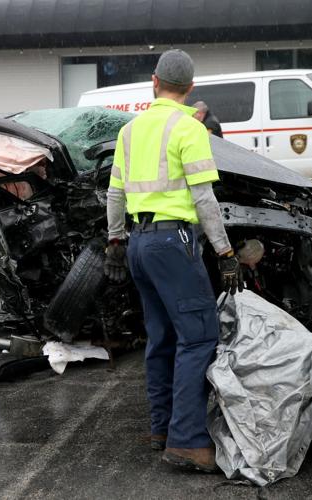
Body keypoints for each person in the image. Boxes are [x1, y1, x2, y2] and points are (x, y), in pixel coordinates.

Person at [104, 49, 242, 472]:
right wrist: (225, 252)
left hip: (139, 245)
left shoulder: (129, 130)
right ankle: (188, 442)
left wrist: (115, 240)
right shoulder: (189, 128)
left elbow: (115, 195)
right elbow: (204, 198)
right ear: (190, 87)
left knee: (160, 337)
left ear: (154, 81)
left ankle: (160, 428)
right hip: (173, 243)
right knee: (198, 337)